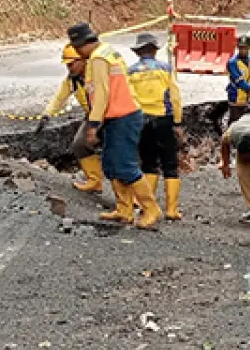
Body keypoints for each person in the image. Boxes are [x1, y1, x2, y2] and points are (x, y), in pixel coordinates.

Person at [67, 22, 162, 229]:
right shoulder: (108, 51)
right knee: (111, 163)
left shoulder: (99, 59)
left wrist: (93, 124)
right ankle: (124, 209)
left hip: (123, 116)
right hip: (118, 116)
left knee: (125, 165)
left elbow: (101, 94)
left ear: (80, 45)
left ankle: (150, 208)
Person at [128, 32, 184, 220]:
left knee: (149, 163)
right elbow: (174, 96)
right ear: (154, 50)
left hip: (141, 120)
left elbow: (129, 99)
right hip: (163, 119)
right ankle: (171, 209)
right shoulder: (165, 69)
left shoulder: (131, 71)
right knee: (170, 164)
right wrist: (177, 121)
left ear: (138, 52)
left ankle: (147, 205)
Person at [42, 45, 101, 193]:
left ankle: (133, 197)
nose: (69, 68)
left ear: (82, 60)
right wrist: (46, 114)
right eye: (67, 65)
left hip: (109, 114)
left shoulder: (96, 74)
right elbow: (59, 98)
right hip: (91, 116)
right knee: (80, 144)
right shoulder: (71, 81)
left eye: (71, 64)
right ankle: (95, 181)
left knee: (117, 153)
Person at [226, 36, 250, 124]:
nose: (243, 50)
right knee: (235, 121)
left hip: (249, 98)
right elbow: (239, 81)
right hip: (236, 97)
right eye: (241, 48)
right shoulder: (232, 63)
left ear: (249, 48)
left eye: (245, 48)